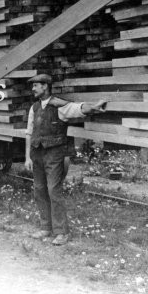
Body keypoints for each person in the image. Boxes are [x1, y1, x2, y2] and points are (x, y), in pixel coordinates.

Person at [25, 74, 107, 245]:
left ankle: (62, 232)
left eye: (35, 86)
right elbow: (29, 133)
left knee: (53, 190)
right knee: (39, 190)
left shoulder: (59, 106)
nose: (32, 89)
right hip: (37, 153)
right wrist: (27, 157)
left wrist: (94, 106)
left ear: (45, 87)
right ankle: (45, 228)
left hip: (54, 155)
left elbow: (78, 108)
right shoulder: (34, 107)